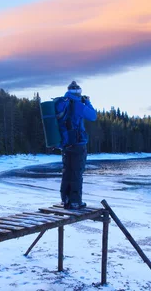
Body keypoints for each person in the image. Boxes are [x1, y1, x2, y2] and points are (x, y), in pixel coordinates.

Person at [55, 81, 97, 210]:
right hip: (77, 143)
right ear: (79, 92)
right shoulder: (77, 104)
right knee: (77, 172)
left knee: (67, 171)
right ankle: (75, 202)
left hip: (65, 144)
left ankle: (65, 199)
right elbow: (92, 116)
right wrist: (87, 102)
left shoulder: (62, 103)